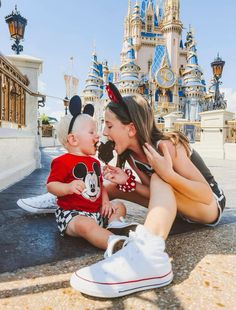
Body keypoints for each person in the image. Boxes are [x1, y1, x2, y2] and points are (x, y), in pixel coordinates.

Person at [69, 83, 226, 298]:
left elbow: (206, 195)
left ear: (131, 129)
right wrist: (127, 183)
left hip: (208, 207)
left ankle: (148, 257)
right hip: (178, 207)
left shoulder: (165, 146)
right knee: (113, 185)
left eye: (109, 125)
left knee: (160, 179)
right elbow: (152, 193)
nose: (104, 132)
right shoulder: (132, 155)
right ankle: (68, 199)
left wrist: (168, 174)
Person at [46, 95, 136, 251]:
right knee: (85, 225)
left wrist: (106, 203)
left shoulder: (94, 162)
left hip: (96, 212)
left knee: (119, 206)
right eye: (91, 132)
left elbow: (101, 187)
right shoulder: (62, 161)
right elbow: (51, 185)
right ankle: (115, 243)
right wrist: (68, 188)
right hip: (72, 215)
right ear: (73, 140)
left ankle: (115, 225)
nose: (98, 135)